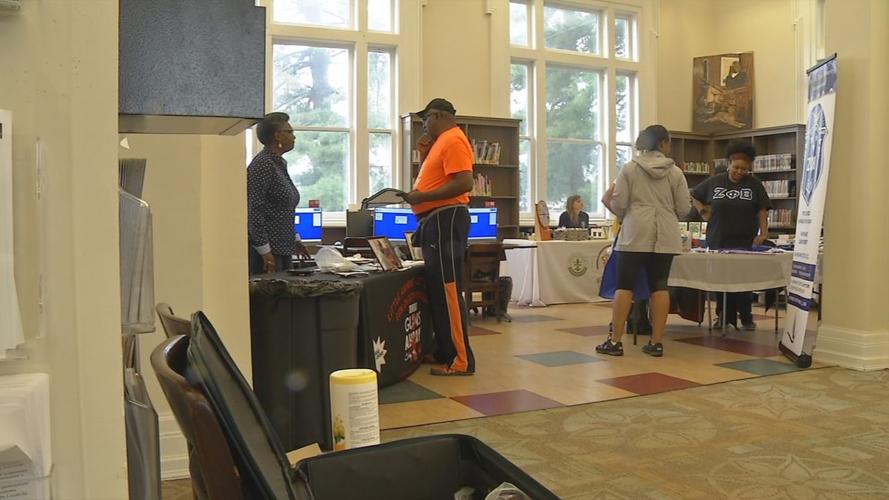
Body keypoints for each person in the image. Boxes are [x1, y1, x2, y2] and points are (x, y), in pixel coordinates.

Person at [597, 125, 690, 357]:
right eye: (668, 142)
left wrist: (618, 207)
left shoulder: (629, 169)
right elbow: (683, 208)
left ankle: (615, 342)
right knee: (660, 286)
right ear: (662, 143)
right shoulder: (676, 172)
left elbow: (619, 205)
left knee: (624, 285)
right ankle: (656, 342)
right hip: (666, 232)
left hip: (635, 231)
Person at [399, 98, 475, 376]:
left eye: (426, 118)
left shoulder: (453, 139)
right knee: (438, 290)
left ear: (440, 115)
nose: (423, 124)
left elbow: (463, 182)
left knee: (448, 289)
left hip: (446, 219)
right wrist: (425, 155)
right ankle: (445, 350)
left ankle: (461, 360)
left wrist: (422, 197)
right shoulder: (441, 142)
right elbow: (439, 179)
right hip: (437, 221)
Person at [691, 140, 771, 330]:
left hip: (745, 240)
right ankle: (723, 315)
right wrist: (703, 211)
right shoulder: (714, 182)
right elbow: (694, 195)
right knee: (721, 280)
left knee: (743, 280)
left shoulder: (754, 185)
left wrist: (763, 233)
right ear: (729, 164)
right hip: (718, 239)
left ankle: (746, 317)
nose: (739, 172)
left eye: (744, 169)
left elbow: (762, 211)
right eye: (736, 167)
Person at [247, 112, 309, 275]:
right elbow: (254, 210)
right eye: (289, 132)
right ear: (277, 136)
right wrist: (264, 251)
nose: (294, 137)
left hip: (283, 247)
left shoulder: (278, 163)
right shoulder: (262, 165)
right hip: (267, 253)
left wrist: (296, 239)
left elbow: (282, 210)